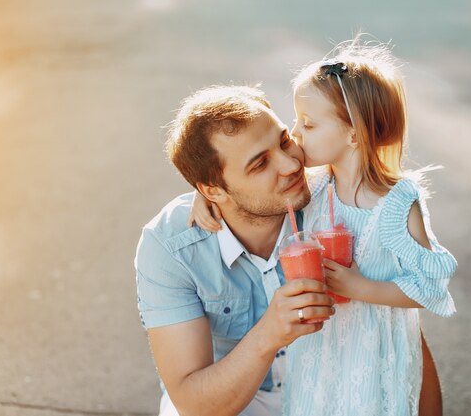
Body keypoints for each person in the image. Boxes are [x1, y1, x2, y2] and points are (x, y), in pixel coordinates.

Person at [191, 41, 457, 416]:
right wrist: (210, 196)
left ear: (353, 133)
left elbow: (430, 285)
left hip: (373, 355)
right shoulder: (316, 187)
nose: (296, 133)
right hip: (320, 353)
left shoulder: (397, 203)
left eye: (309, 124)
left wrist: (359, 287)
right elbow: (250, 190)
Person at [134, 85, 336, 416]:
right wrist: (268, 334)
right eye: (260, 164)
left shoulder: (333, 203)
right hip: (232, 394)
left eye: (284, 141)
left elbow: (400, 337)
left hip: (328, 387)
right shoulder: (171, 246)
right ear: (212, 190)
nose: (290, 165)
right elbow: (192, 402)